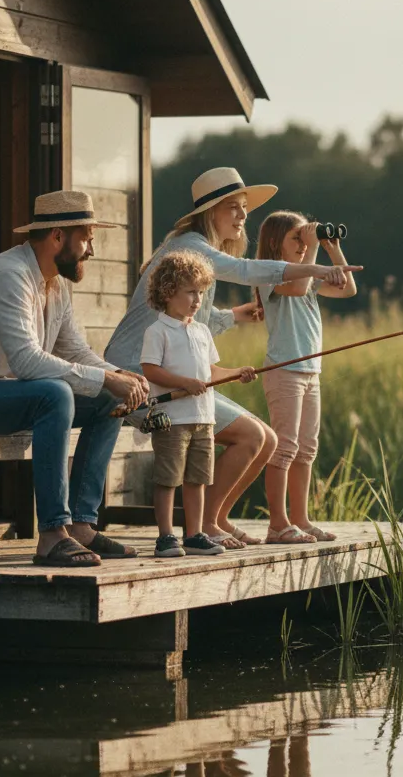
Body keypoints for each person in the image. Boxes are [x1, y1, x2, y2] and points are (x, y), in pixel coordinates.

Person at [104, 167, 362, 550]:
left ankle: (216, 519)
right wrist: (316, 267)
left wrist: (235, 316)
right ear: (210, 213)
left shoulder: (197, 254)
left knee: (268, 439)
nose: (243, 216)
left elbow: (197, 324)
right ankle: (205, 523)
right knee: (253, 435)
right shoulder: (190, 246)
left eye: (244, 208)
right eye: (233, 207)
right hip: (138, 378)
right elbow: (244, 270)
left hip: (180, 377)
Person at [0, 190, 149, 568]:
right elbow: (27, 362)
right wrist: (106, 378)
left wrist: (116, 376)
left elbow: (74, 350)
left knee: (107, 400)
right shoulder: (10, 276)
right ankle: (51, 535)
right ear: (58, 236)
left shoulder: (55, 284)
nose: (92, 249)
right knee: (55, 395)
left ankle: (80, 525)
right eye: (87, 237)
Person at [140, 250, 258, 559]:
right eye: (191, 291)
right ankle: (166, 537)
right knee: (168, 479)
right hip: (172, 419)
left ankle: (194, 535)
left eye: (201, 292)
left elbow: (210, 373)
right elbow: (150, 370)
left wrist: (236, 373)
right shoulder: (157, 331)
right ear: (168, 292)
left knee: (197, 479)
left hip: (203, 419)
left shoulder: (202, 331)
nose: (198, 299)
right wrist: (183, 383)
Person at [254, 212, 357, 544]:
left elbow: (348, 289)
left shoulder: (309, 278)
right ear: (274, 243)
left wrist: (332, 250)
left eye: (304, 239)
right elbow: (297, 287)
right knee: (284, 447)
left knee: (306, 449)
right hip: (284, 370)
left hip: (311, 372)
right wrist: (312, 252)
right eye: (296, 239)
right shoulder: (269, 274)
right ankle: (278, 524)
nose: (302, 246)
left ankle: (300, 519)